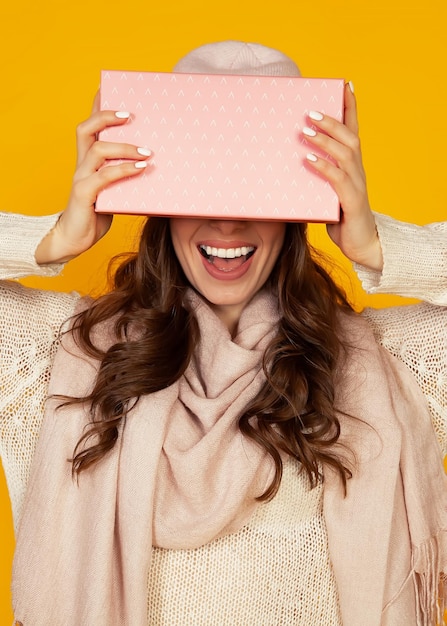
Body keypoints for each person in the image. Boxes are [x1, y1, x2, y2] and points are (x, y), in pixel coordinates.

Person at [1, 41, 446, 626]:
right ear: (160, 199)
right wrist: (56, 237)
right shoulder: (61, 361)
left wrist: (377, 243)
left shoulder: (388, 367)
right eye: (200, 187)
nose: (227, 221)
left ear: (299, 205)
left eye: (257, 188)